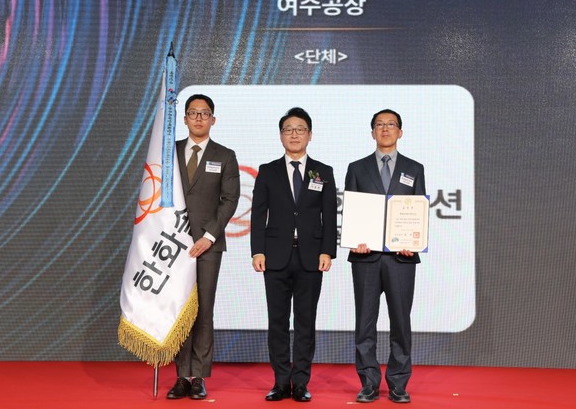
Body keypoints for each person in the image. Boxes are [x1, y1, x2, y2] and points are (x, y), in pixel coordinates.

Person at [250, 107, 337, 403]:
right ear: (281, 136)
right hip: (275, 257)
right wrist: (257, 250)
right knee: (277, 322)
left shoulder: (323, 171)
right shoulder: (268, 171)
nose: (294, 134)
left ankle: (300, 382)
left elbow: (329, 216)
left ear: (310, 135)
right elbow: (258, 214)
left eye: (300, 129)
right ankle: (280, 381)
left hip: (311, 257)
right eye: (288, 129)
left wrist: (327, 251)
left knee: (305, 322)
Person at [344, 109, 426, 404]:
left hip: (401, 259)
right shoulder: (357, 168)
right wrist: (354, 239)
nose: (385, 129)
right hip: (365, 258)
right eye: (379, 125)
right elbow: (352, 210)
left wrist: (413, 241)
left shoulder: (414, 168)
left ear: (400, 132)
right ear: (372, 132)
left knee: (400, 322)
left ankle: (398, 383)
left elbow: (418, 209)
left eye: (391, 124)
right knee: (365, 323)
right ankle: (368, 382)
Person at [166, 94, 240, 400]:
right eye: (193, 113)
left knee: (203, 310)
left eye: (204, 113)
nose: (199, 118)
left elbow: (230, 199)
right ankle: (181, 376)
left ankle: (198, 376)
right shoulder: (169, 152)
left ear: (213, 119)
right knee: (180, 309)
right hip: (174, 242)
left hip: (208, 245)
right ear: (184, 118)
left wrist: (208, 236)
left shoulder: (225, 155)